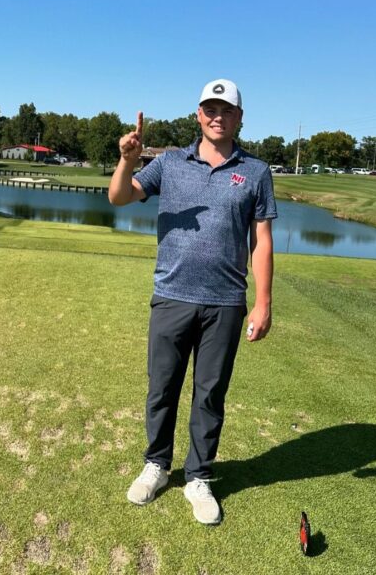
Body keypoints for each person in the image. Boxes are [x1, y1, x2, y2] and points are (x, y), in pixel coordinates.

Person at [108, 79, 277, 525]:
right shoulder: (168, 164)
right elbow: (119, 197)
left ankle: (199, 477)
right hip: (171, 296)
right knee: (161, 388)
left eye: (226, 109)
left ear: (240, 117)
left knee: (209, 395)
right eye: (210, 108)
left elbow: (261, 241)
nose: (217, 116)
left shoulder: (256, 172)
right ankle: (157, 466)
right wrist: (126, 161)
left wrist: (262, 303)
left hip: (225, 303)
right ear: (198, 115)